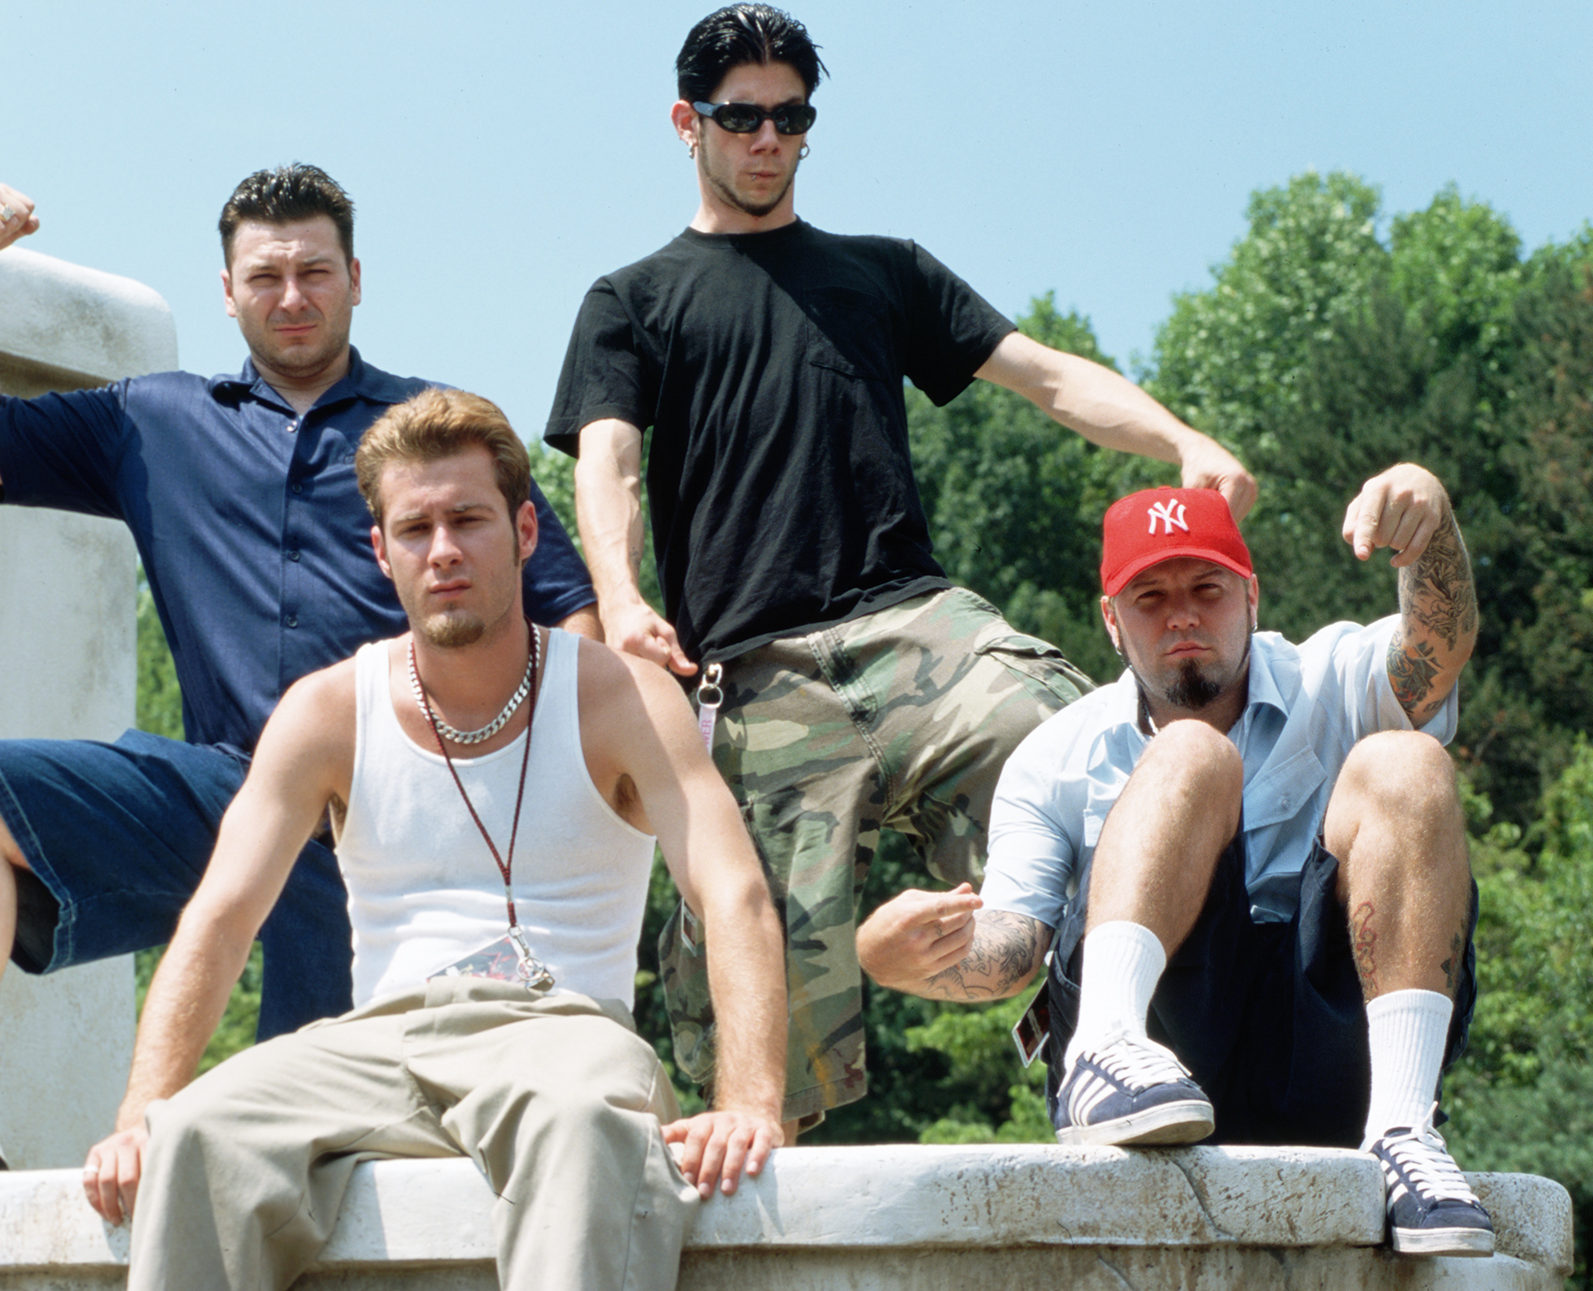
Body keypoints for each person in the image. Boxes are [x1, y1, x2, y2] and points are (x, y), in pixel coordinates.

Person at [0, 166, 600, 1189]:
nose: (290, 296)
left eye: (313, 271)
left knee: (322, 1159)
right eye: (265, 276)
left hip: (392, 815)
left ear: (355, 278)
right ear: (225, 290)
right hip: (221, 792)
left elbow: (570, 618)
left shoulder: (435, 447)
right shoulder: (154, 421)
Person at [543, 3, 1256, 1127]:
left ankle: (1107, 1034)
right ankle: (759, 1173)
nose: (768, 139)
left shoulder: (879, 273)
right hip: (757, 663)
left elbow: (1049, 377)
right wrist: (623, 599)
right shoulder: (633, 301)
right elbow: (610, 460)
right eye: (742, 118)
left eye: (791, 117)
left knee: (1090, 743)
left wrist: (1181, 441)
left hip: (917, 624)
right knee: (755, 985)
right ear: (689, 122)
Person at [79, 389, 786, 1291]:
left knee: (584, 1121)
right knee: (196, 1134)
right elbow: (219, 917)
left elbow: (733, 892)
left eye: (469, 519)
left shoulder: (618, 695)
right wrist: (143, 1108)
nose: (443, 550)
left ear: (527, 530)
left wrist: (750, 1101)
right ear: (381, 551)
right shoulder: (329, 710)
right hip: (381, 1040)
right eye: (414, 528)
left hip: (560, 1034)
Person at [873, 470, 1490, 1257]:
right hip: (1161, 1050)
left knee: (1411, 761)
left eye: (1208, 587)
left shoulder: (1330, 676)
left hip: (1330, 1053)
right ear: (1111, 621)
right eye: (1151, 598)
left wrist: (1431, 525)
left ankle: (1404, 1130)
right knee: (1192, 751)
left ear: (1252, 595)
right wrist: (909, 959)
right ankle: (1106, 1045)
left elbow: (1436, 647)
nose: (1185, 617)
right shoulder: (1057, 756)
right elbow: (1015, 946)